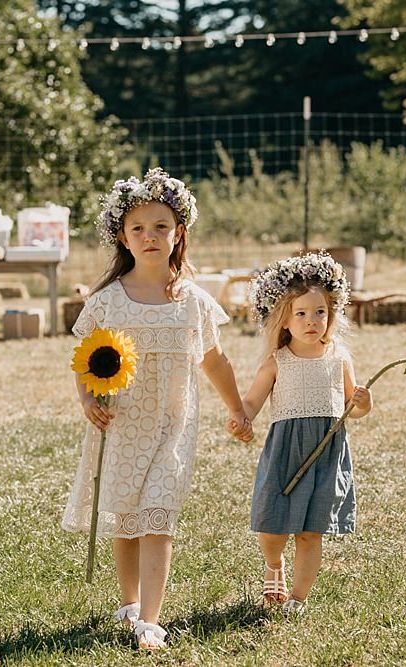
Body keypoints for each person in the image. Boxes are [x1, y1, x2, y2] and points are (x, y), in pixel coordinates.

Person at [62, 168, 252, 650]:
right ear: (123, 237)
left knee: (157, 514)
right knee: (125, 517)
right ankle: (129, 605)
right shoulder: (107, 302)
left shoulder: (194, 303)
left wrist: (238, 409)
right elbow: (84, 360)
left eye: (161, 226)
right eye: (138, 228)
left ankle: (151, 618)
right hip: (121, 424)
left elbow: (213, 360)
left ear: (179, 232)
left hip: (173, 426)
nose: (150, 236)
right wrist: (88, 399)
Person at [227, 252, 372, 616]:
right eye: (302, 314)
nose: (312, 321)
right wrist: (240, 418)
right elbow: (252, 401)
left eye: (319, 312)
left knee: (311, 531)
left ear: (331, 315)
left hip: (326, 453)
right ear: (285, 320)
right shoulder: (278, 361)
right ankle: (273, 563)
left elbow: (354, 408)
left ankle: (298, 598)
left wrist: (363, 401)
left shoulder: (339, 358)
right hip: (286, 452)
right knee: (273, 526)